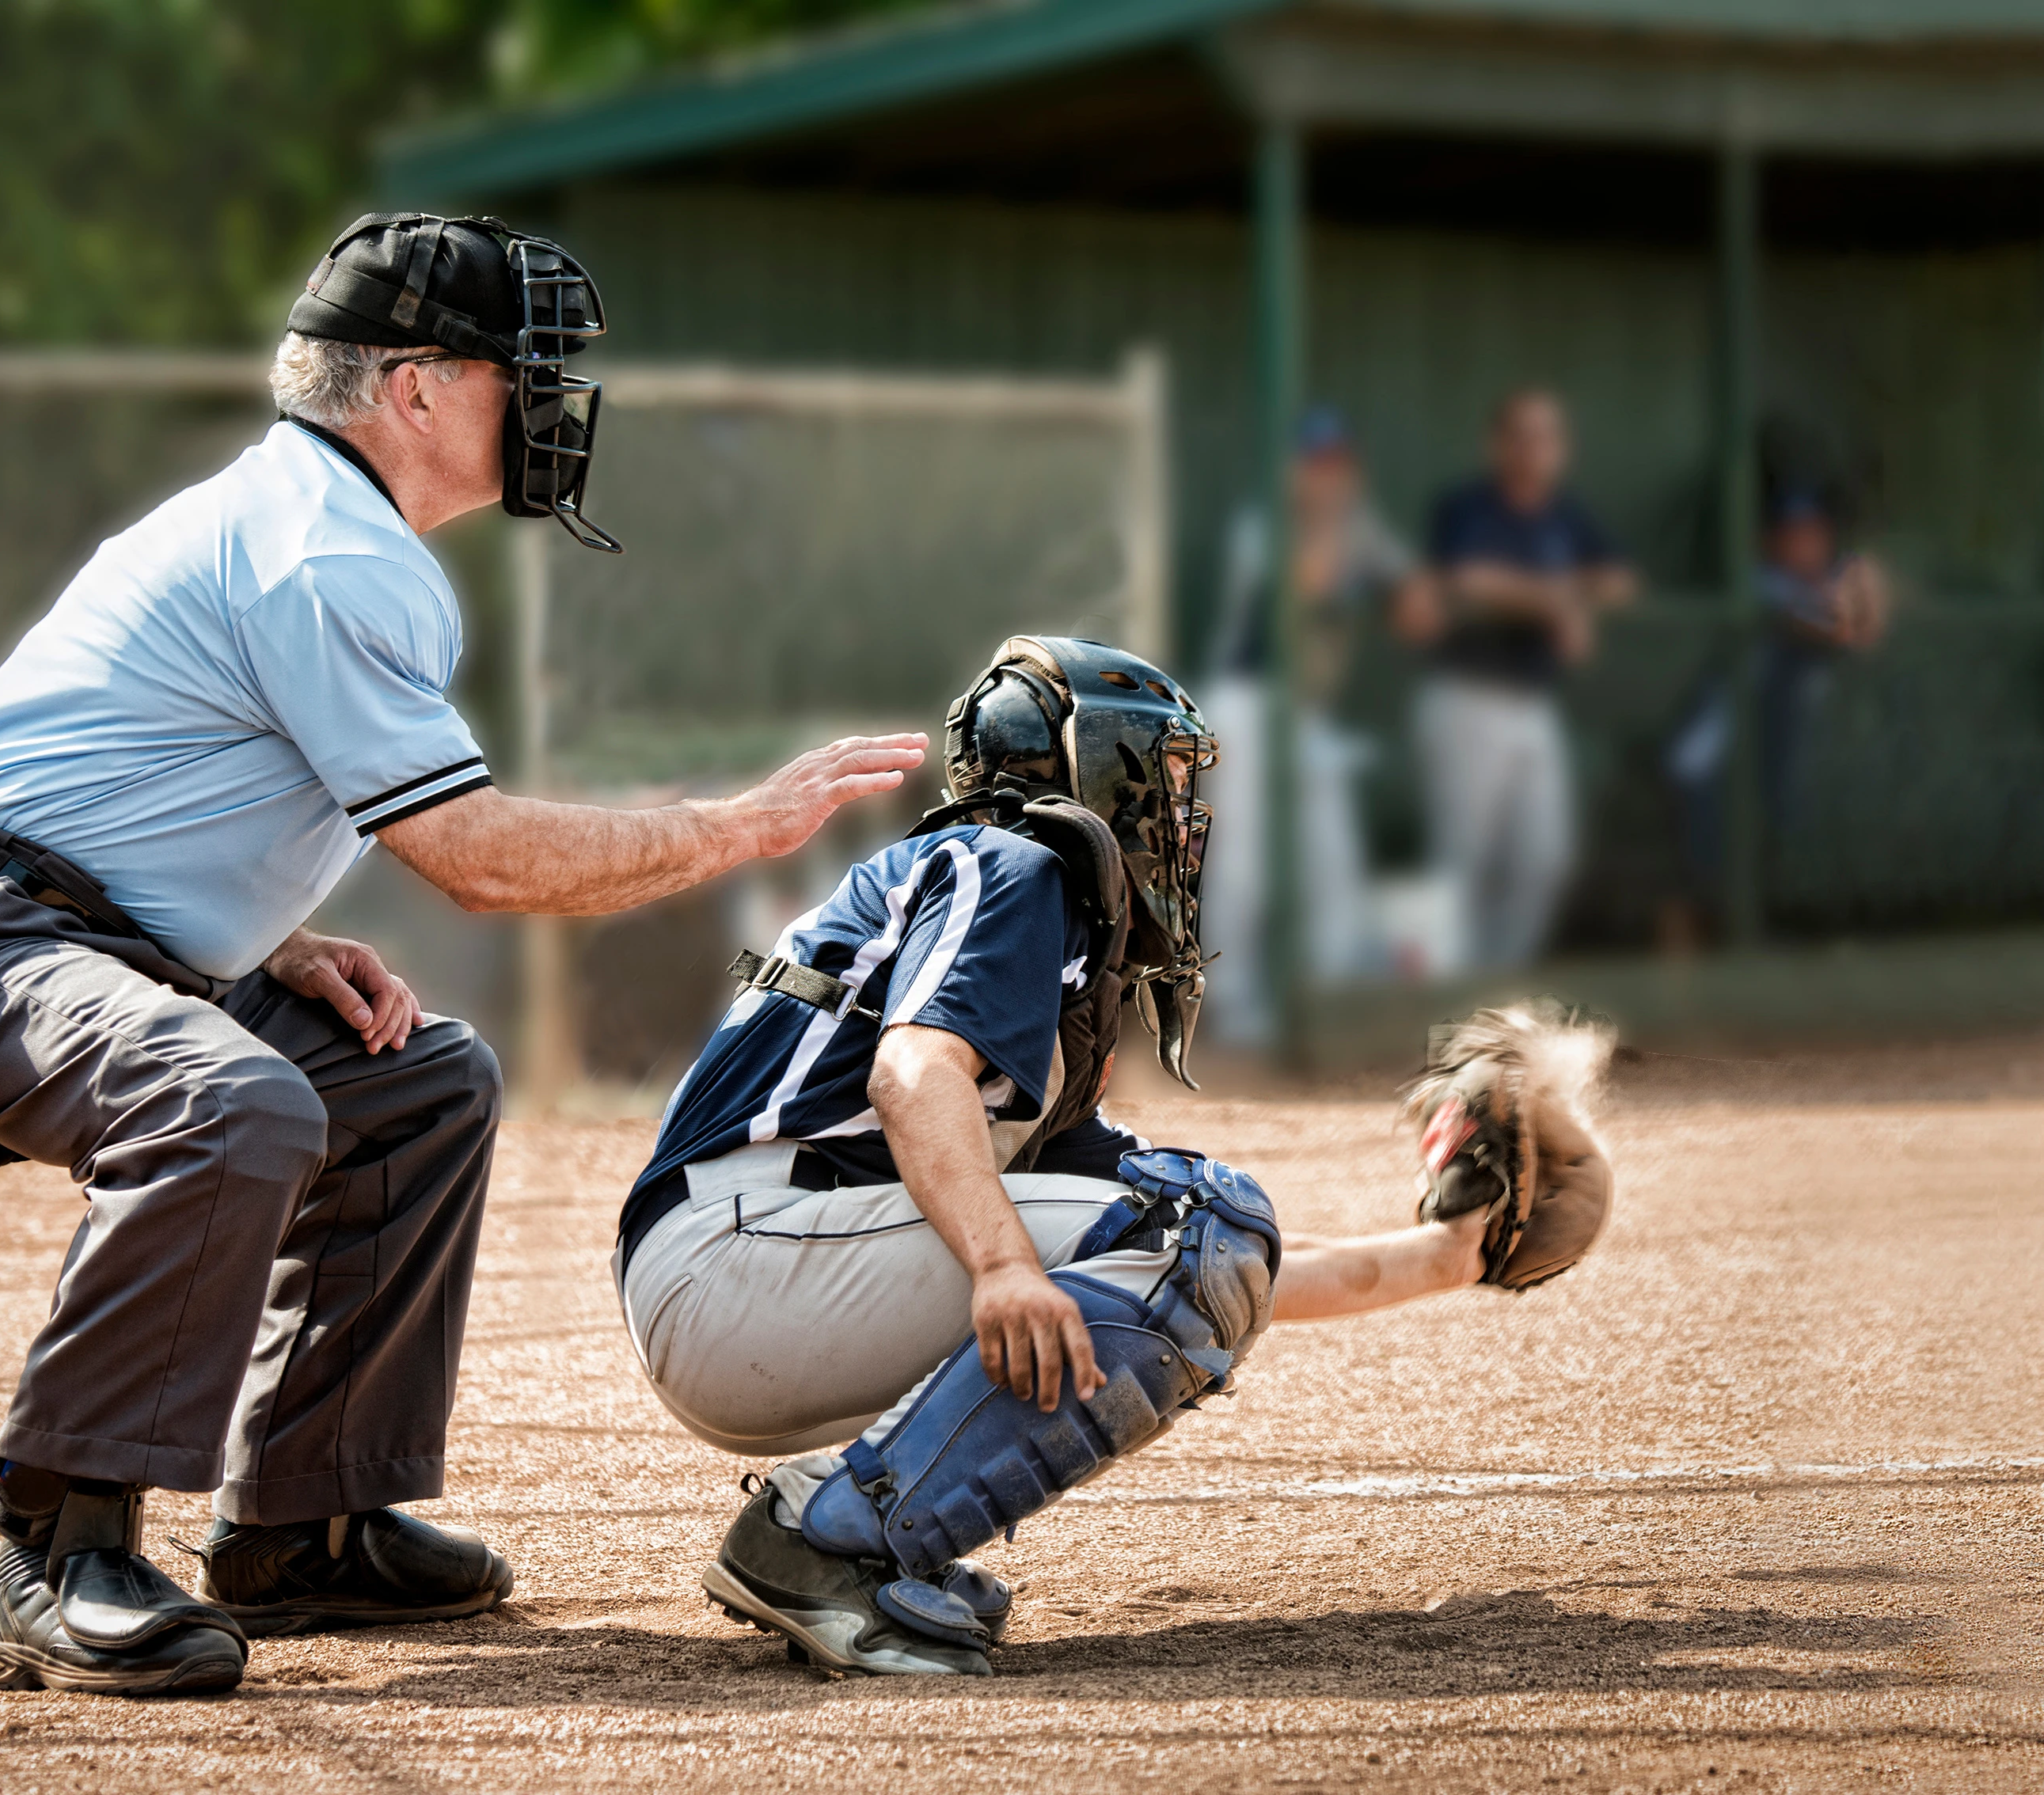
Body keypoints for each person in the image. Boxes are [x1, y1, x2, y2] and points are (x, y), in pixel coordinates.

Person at [0, 213, 923, 1697]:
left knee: (416, 1082)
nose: (554, 405)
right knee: (230, 1101)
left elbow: (128, 772)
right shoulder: (326, 548)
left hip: (64, 925)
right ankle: (55, 1552)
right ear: (417, 388)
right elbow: (480, 858)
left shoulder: (313, 518)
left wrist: (269, 937)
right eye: (524, 370)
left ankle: (307, 1524)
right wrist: (738, 830)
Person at [612, 636, 1613, 1676]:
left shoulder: (1018, 947)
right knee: (1197, 1227)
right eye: (1168, 776)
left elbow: (1217, 1267)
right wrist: (1002, 1267)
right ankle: (823, 1541)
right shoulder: (1012, 864)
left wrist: (1450, 1255)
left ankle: (848, 1539)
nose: (1183, 818)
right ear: (1096, 766)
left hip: (758, 1262)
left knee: (1197, 1235)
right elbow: (910, 1078)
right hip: (742, 1257)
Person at [1198, 404, 1435, 1044]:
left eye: (1335, 463)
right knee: (1244, 865)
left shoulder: (1360, 528)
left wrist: (1403, 582)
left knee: (1334, 864)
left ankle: (1328, 1009)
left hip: (1308, 719)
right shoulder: (1262, 526)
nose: (1325, 476)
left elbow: (1421, 616)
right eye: (1313, 463)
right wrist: (1351, 529)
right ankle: (1237, 1009)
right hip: (1245, 704)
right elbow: (1313, 577)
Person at [1419, 389, 1637, 969]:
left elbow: (1620, 581)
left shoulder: (1565, 515)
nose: (1534, 449)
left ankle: (1491, 984)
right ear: (1497, 444)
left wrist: (1570, 599)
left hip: (1533, 708)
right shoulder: (1470, 506)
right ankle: (1449, 990)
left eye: (1547, 437)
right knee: (1464, 865)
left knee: (1547, 859)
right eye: (1522, 435)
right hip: (1467, 699)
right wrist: (1557, 604)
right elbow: (1468, 579)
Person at [1665, 484, 1890, 937]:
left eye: (1811, 534)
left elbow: (1869, 623)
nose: (1801, 544)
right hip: (1713, 755)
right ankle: (1687, 970)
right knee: (1701, 879)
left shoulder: (1827, 581)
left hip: (1774, 755)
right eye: (1790, 534)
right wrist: (1855, 595)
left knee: (1767, 859)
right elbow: (1835, 629)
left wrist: (1865, 581)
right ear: (1768, 542)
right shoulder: (1758, 580)